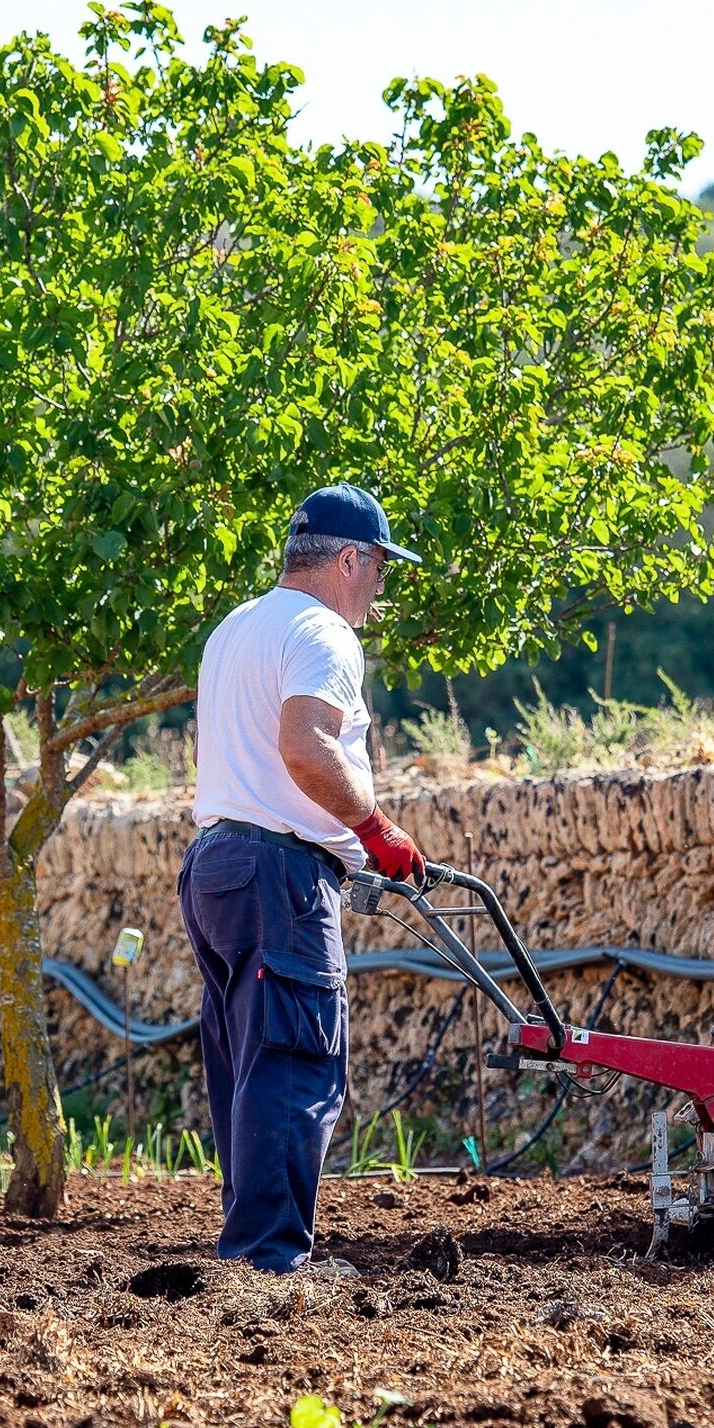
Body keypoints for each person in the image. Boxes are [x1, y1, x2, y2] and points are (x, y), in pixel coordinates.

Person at [179, 485, 427, 1272]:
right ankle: (269, 1261)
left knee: (248, 1067)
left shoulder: (236, 627)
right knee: (294, 1059)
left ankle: (251, 1251)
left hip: (217, 864)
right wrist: (373, 829)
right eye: (381, 565)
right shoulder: (323, 630)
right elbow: (304, 746)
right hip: (276, 875)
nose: (382, 583)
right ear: (347, 558)